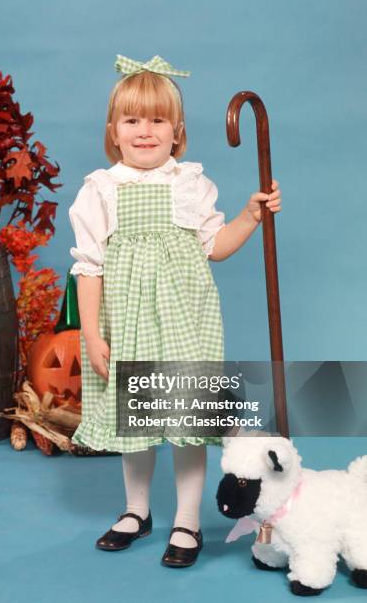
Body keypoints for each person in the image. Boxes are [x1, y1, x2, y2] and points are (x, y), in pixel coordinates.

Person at [68, 54, 281, 567]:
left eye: (158, 120)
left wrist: (250, 217)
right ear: (114, 132)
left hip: (186, 321)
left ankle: (187, 520)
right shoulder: (102, 190)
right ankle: (136, 510)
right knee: (135, 420)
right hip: (130, 324)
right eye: (133, 120)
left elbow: (216, 245)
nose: (145, 131)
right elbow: (89, 268)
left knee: (186, 420)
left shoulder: (189, 184)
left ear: (177, 132)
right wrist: (93, 333)